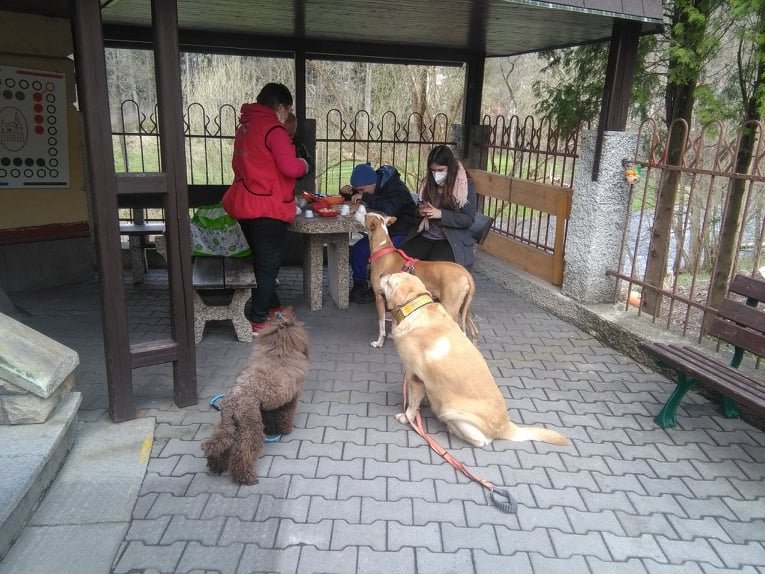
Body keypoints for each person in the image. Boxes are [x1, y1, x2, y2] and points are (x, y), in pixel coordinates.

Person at [222, 82, 310, 334]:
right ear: (281, 106)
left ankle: (272, 308)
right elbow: (290, 168)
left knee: (261, 262)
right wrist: (304, 164)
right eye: (288, 109)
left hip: (246, 202)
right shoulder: (274, 129)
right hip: (268, 207)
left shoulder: (246, 127)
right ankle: (258, 319)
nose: (287, 115)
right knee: (268, 265)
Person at [340, 162, 418, 303]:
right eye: (358, 190)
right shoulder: (373, 186)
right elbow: (366, 197)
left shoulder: (397, 188)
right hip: (384, 231)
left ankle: (378, 288)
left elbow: (390, 209)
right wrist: (348, 193)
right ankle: (359, 286)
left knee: (380, 255)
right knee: (358, 250)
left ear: (373, 183)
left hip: (402, 231)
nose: (360, 193)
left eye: (362, 190)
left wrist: (365, 197)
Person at [400, 145, 477, 268]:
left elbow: (468, 219)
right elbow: (416, 211)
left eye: (441, 170)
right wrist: (420, 211)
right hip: (425, 236)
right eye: (433, 170)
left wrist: (441, 214)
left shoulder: (464, 185)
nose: (436, 174)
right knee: (399, 259)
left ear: (450, 168)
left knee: (433, 268)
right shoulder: (427, 183)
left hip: (449, 241)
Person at [284, 112, 314, 178]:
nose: (291, 138)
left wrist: (301, 165)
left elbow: (310, 165)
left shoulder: (298, 144)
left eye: (292, 134)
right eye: (287, 135)